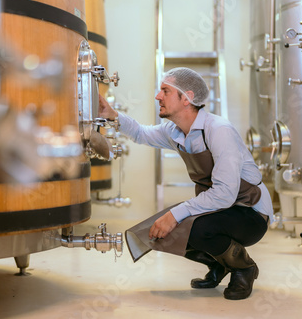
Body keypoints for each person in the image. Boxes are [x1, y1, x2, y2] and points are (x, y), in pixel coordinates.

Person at [98, 67, 274, 300]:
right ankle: (219, 265)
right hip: (223, 209)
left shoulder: (219, 131)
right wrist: (112, 115)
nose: (157, 96)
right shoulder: (175, 131)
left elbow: (225, 194)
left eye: (165, 91)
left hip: (249, 213)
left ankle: (243, 268)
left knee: (192, 227)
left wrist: (174, 214)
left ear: (187, 98)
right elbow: (140, 133)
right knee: (158, 232)